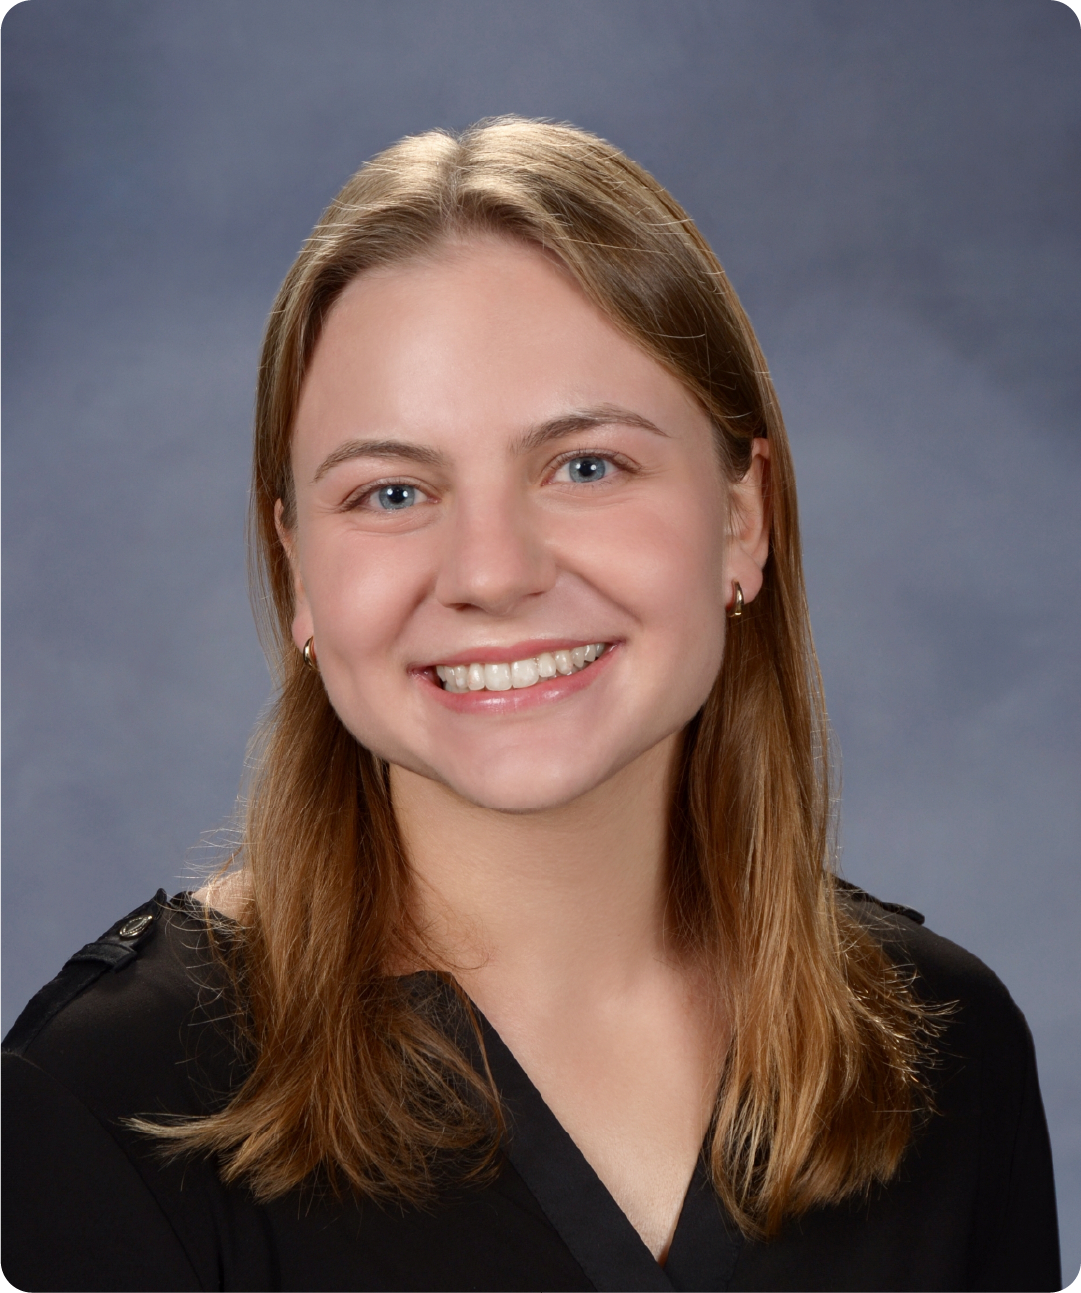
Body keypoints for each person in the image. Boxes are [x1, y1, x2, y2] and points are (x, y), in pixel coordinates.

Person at [1, 117, 1060, 1293]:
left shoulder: (943, 1052)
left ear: (739, 520)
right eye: (393, 490)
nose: (492, 572)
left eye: (586, 466)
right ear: (296, 568)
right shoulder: (108, 1096)